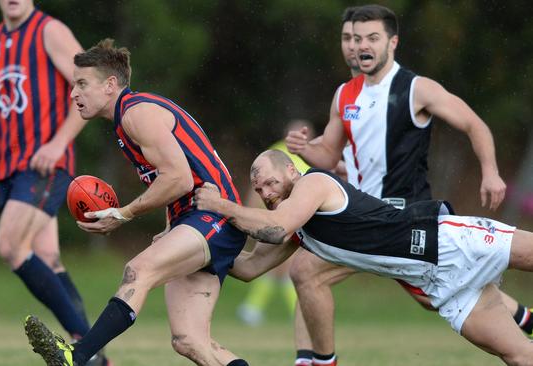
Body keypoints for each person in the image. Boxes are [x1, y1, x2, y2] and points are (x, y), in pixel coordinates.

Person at [285, 4, 532, 366]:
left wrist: (491, 171)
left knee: (309, 270)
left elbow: (473, 123)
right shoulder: (345, 95)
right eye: (350, 38)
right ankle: (313, 359)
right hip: (359, 214)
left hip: (404, 216)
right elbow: (327, 152)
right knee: (308, 271)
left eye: (370, 37)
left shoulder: (416, 89)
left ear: (393, 42)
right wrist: (307, 149)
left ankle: (318, 361)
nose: (358, 46)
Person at [23, 38, 250, 366]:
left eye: (82, 84)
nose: (73, 93)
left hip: (215, 217)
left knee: (137, 271)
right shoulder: (128, 118)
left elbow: (180, 178)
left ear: (110, 85)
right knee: (189, 340)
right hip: (195, 219)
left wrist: (123, 213)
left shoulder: (136, 114)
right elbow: (176, 180)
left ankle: (77, 356)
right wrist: (171, 226)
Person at [195, 149, 533, 366]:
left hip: (447, 239)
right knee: (519, 355)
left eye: (270, 183)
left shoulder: (312, 184)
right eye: (259, 191)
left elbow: (275, 228)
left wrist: (220, 206)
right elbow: (250, 267)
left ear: (291, 172)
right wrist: (195, 247)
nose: (266, 194)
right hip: (441, 285)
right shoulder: (299, 227)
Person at [0, 1, 109, 365]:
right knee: (47, 258)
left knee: (9, 244)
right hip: (12, 167)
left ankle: (86, 349)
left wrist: (57, 144)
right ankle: (96, 358)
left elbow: (89, 86)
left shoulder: (49, 31)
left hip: (44, 166)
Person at [236, 120, 312, 327]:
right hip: (283, 216)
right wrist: (254, 216)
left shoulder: (311, 153)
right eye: (295, 133)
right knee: (282, 266)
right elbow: (260, 187)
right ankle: (296, 310)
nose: (300, 137)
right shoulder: (277, 153)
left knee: (280, 267)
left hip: (300, 215)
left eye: (304, 133)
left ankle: (253, 308)